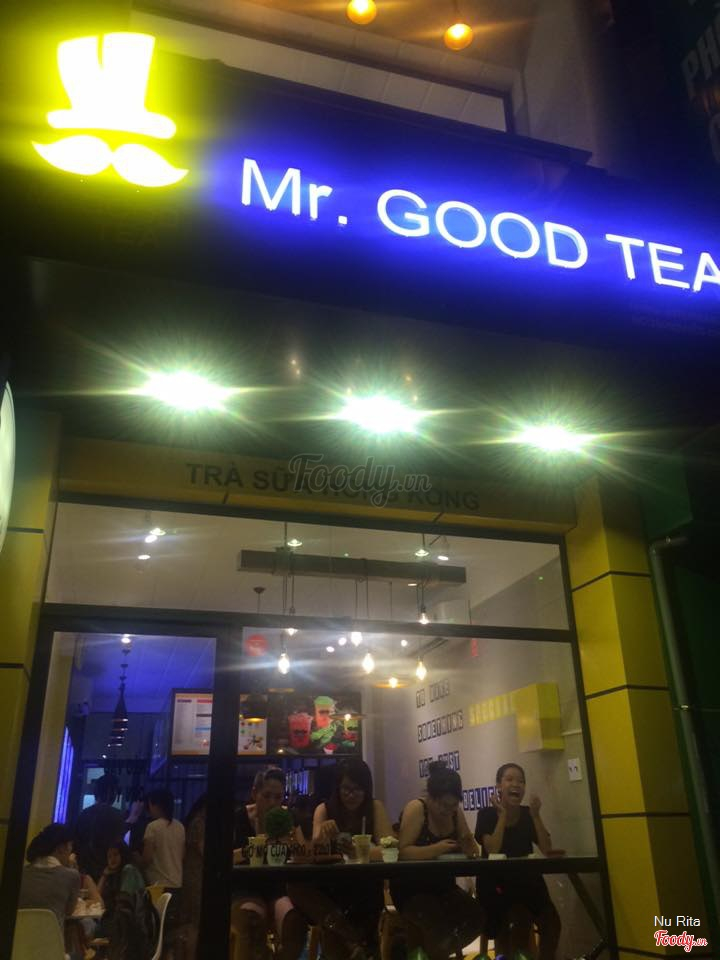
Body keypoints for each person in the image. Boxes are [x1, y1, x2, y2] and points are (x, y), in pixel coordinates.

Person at [287, 759, 394, 960]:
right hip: (332, 886)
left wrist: (358, 851)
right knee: (296, 885)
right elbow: (316, 852)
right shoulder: (324, 809)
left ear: (366, 789)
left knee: (336, 933)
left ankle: (351, 941)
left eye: (358, 789)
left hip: (365, 885)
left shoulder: (374, 808)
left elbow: (390, 848)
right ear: (337, 789)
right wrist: (324, 837)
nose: (351, 795)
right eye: (346, 789)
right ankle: (352, 939)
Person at [390, 762, 484, 960]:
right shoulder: (417, 808)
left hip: (443, 887)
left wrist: (468, 844)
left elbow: (472, 849)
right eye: (443, 805)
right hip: (410, 888)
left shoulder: (455, 813)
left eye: (453, 805)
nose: (448, 811)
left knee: (475, 916)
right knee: (436, 924)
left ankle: (426, 953)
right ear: (430, 798)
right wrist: (437, 849)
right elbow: (403, 852)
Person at [475, 763, 561, 960]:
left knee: (552, 922)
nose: (516, 784)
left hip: (528, 883)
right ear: (498, 786)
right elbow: (493, 849)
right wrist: (502, 816)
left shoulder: (528, 814)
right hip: (497, 886)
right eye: (510, 779)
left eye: (521, 781)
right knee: (518, 919)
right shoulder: (487, 814)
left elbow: (547, 849)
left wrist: (536, 816)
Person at [232, 768, 307, 960]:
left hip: (278, 887)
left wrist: (292, 841)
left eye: (278, 797)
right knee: (252, 921)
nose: (273, 802)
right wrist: (259, 845)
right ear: (254, 793)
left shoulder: (288, 817)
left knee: (294, 923)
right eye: (266, 796)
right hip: (245, 887)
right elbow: (226, 857)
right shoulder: (239, 817)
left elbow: (303, 856)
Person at [18, 823, 81, 929]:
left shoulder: (21, 873)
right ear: (61, 848)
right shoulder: (71, 876)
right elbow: (69, 911)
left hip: (18, 936)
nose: (71, 851)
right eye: (70, 846)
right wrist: (71, 867)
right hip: (51, 938)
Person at [98, 841, 153, 960]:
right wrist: (105, 875)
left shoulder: (129, 870)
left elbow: (124, 904)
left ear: (123, 854)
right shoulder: (117, 874)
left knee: (92, 930)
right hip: (124, 924)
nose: (112, 859)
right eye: (109, 856)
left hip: (133, 928)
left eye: (115, 854)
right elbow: (98, 896)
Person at [73, 773, 127, 882]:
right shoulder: (117, 816)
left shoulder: (83, 815)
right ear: (112, 792)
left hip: (84, 872)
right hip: (108, 873)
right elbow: (118, 847)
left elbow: (76, 844)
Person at [141, 788, 185, 890]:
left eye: (150, 804)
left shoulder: (153, 827)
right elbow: (182, 855)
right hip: (177, 882)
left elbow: (147, 858)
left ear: (156, 805)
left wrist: (137, 860)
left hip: (158, 883)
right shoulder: (180, 826)